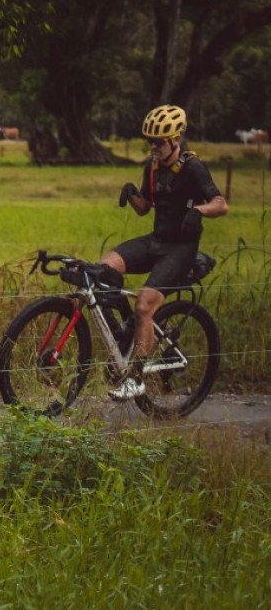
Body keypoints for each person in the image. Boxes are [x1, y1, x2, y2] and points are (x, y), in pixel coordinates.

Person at [100, 104, 228, 400]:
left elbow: (221, 204)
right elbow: (145, 208)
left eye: (158, 141)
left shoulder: (193, 168)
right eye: (150, 141)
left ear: (175, 140)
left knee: (144, 305)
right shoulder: (153, 166)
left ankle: (136, 378)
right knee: (105, 267)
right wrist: (132, 193)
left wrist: (199, 210)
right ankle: (127, 333)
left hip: (180, 249)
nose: (153, 147)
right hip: (156, 240)